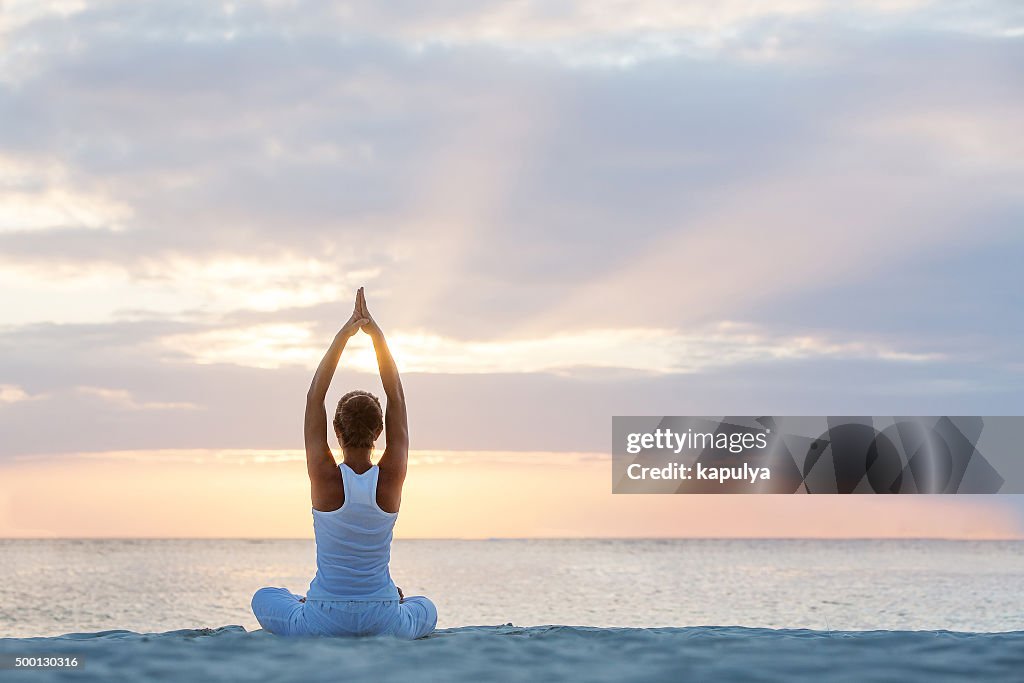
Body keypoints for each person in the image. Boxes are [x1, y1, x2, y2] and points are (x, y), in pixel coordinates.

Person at [251, 288, 437, 639]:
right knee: (426, 607)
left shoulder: (324, 477)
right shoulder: (391, 478)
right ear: (380, 431)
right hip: (383, 616)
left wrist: (344, 335)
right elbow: (396, 394)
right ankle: (390, 600)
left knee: (264, 597)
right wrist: (376, 336)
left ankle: (306, 601)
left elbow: (314, 396)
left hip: (323, 616)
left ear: (335, 429)